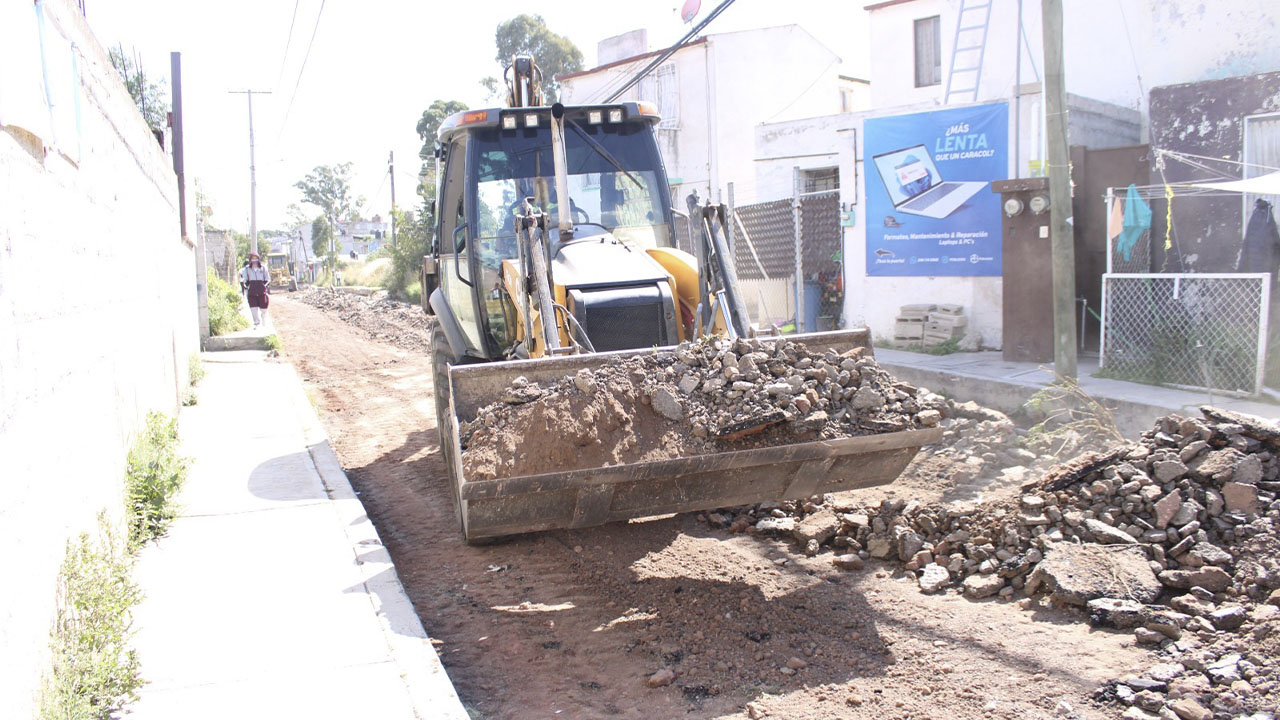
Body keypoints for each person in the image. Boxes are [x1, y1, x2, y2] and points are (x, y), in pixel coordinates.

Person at [243, 253, 270, 327]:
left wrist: (263, 286)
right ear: (250, 260)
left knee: (264, 308)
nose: (254, 260)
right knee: (253, 308)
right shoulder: (247, 269)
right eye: (253, 258)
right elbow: (245, 280)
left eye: (256, 258)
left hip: (261, 291)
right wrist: (248, 286)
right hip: (252, 292)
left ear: (258, 259)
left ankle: (264, 320)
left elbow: (267, 279)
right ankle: (256, 322)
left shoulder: (263, 268)